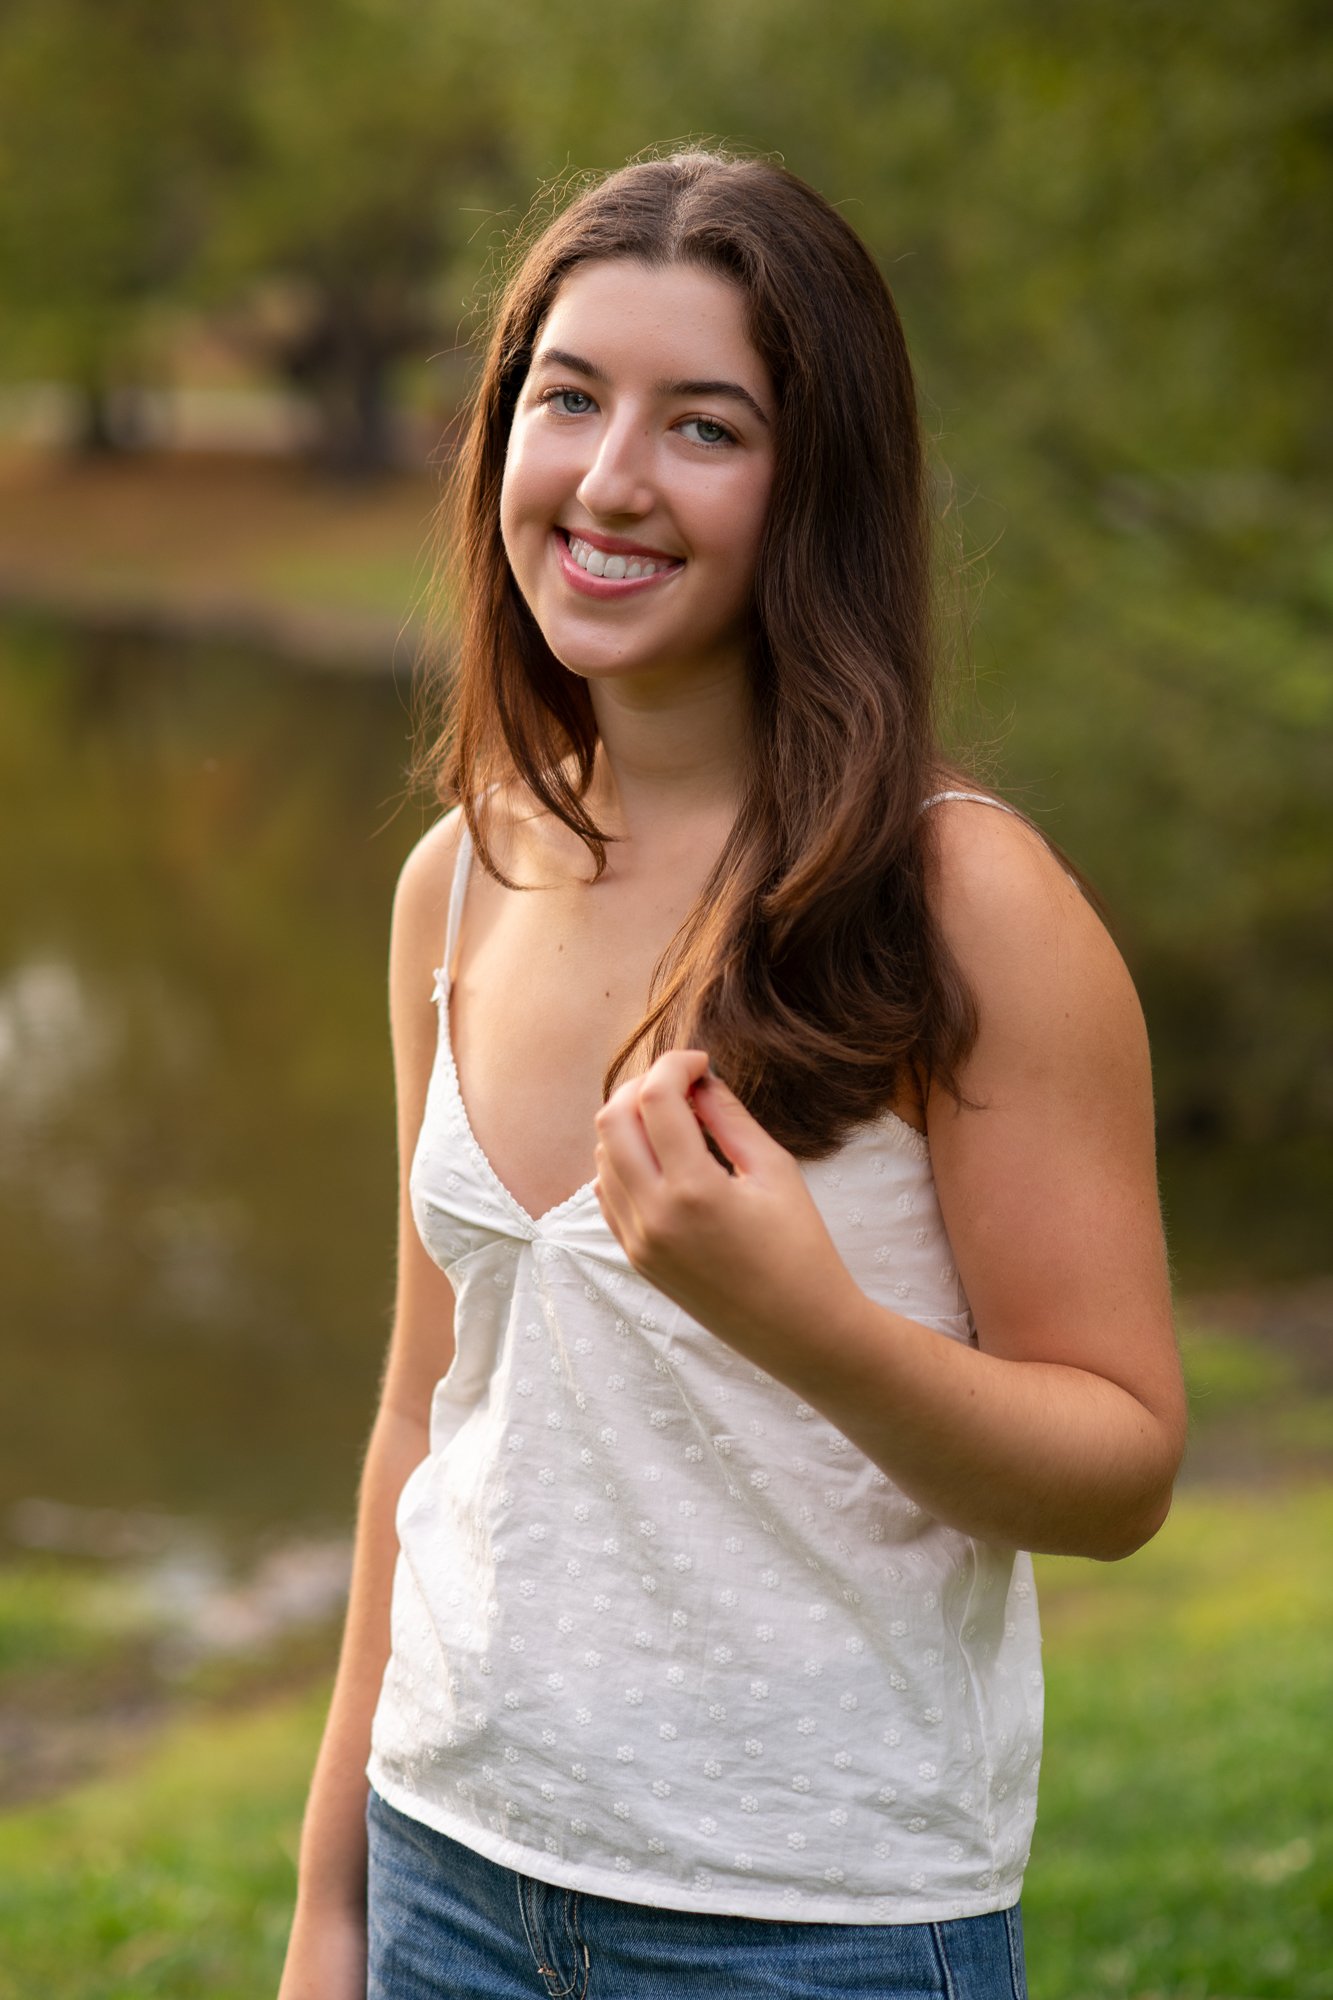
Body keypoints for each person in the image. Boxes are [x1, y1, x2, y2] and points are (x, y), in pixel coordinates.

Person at [277, 149, 1187, 1999]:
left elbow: (1120, 1468)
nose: (610, 483)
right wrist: (333, 1900)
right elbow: (421, 1413)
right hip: (447, 1871)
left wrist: (814, 1325)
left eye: (705, 427)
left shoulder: (960, 902)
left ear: (816, 485)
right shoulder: (456, 877)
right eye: (568, 399)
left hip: (808, 1928)